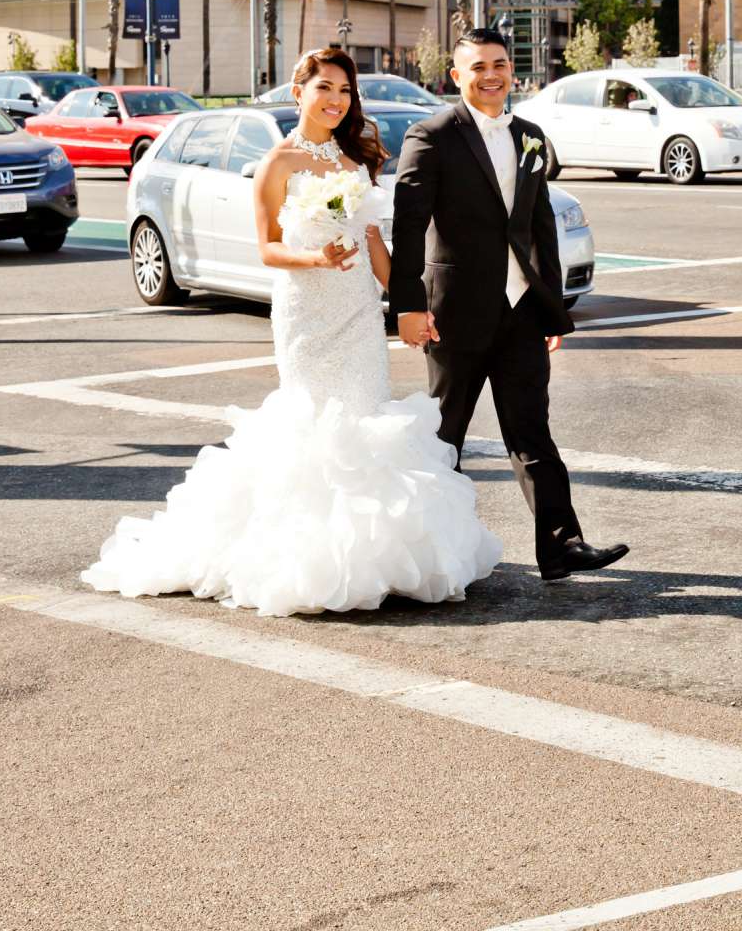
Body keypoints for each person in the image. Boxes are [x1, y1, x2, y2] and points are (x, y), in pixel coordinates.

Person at [82, 47, 500, 617]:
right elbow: (268, 249)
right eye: (324, 87)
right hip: (306, 312)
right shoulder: (277, 163)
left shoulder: (357, 162)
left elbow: (377, 243)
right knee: (313, 423)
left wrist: (412, 304)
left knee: (362, 414)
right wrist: (316, 260)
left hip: (357, 313)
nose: (335, 100)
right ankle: (308, 558)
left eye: (345, 91)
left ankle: (373, 554)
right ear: (298, 91)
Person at [391, 28, 627, 583]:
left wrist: (550, 306)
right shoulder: (431, 135)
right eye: (478, 67)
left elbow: (538, 226)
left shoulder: (530, 136)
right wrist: (407, 305)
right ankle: (418, 550)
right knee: (443, 434)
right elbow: (408, 227)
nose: (491, 74)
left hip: (522, 312)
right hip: (455, 315)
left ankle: (562, 546)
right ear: (456, 75)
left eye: (499, 63)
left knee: (532, 433)